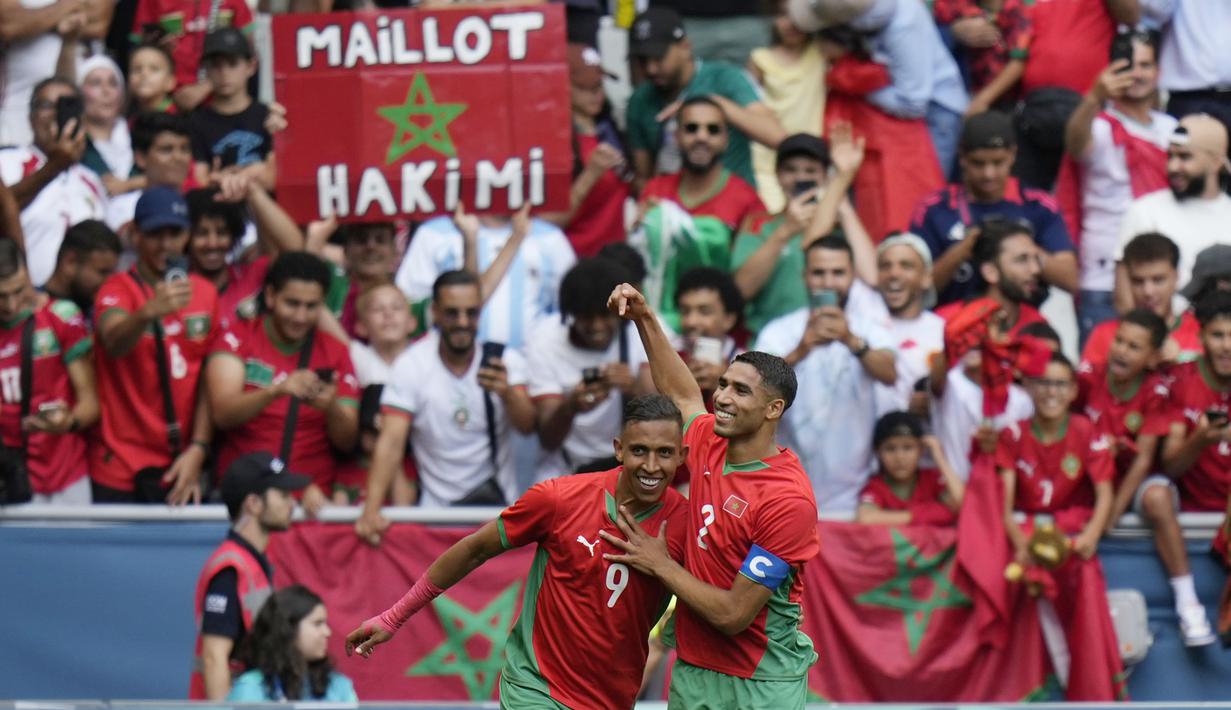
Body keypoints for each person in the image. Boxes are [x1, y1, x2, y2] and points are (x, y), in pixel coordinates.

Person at [345, 395, 689, 709]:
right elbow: (475, 549)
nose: (651, 466)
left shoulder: (685, 525)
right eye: (639, 450)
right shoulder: (559, 499)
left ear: (682, 456)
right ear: (619, 449)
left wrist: (665, 569)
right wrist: (393, 617)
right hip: (535, 688)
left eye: (664, 453)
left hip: (612, 699)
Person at [602, 282, 819, 708]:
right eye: (723, 384)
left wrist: (660, 564)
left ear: (773, 409)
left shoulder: (788, 501)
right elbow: (681, 392)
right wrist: (644, 317)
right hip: (694, 671)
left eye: (741, 391)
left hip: (761, 684)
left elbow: (733, 614)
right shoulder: (707, 440)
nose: (721, 397)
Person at [1075, 308, 1215, 645]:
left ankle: (1189, 605)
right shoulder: (1088, 379)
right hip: (1090, 481)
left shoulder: (1156, 392)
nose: (1122, 351)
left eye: (1134, 347)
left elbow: (1142, 462)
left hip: (1135, 485)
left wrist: (1110, 518)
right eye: (1119, 341)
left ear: (1153, 358)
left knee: (1158, 497)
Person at [355, 270, 535, 520]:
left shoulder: (503, 360)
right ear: (435, 313)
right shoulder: (412, 364)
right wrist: (370, 511)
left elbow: (528, 426)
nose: (462, 322)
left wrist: (507, 393)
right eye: (452, 313)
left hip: (496, 511)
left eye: (471, 313)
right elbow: (391, 441)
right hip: (435, 513)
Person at [996, 352, 1125, 700]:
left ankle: (1090, 690)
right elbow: (1003, 505)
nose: (1051, 392)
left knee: (1084, 574)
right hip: (1025, 536)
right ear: (1028, 387)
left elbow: (1105, 493)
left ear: (1073, 391)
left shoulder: (1087, 430)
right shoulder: (1011, 434)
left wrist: (1091, 536)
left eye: (1060, 384)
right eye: (1043, 383)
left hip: (1070, 539)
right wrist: (1021, 546)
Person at [206, 252, 359, 516]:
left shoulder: (336, 352)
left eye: (311, 306)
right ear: (270, 296)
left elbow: (347, 442)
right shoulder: (238, 338)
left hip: (311, 503)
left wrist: (331, 407)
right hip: (246, 501)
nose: (300, 316)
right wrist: (276, 390)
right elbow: (223, 415)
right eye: (292, 303)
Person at [91, 186, 217, 504]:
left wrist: (199, 448)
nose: (165, 245)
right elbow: (113, 341)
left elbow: (209, 378)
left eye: (174, 234)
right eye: (154, 234)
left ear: (187, 235)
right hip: (120, 464)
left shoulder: (205, 293)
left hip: (181, 463)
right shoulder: (117, 289)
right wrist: (147, 312)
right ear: (135, 235)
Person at [754, 235, 896, 512]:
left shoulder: (871, 329)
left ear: (852, 276)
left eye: (838, 273)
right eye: (819, 273)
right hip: (787, 487)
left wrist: (850, 340)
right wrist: (800, 350)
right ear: (804, 276)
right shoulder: (779, 331)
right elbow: (754, 388)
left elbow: (889, 373)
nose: (828, 282)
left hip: (853, 491)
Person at [1064, 33, 1175, 344]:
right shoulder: (1099, 125)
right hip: (1104, 276)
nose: (1137, 74)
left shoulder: (1170, 128)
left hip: (1160, 274)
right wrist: (1093, 98)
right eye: (1128, 66)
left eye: (1145, 65)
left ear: (1158, 72)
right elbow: (1075, 145)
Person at [911, 111, 1078, 306]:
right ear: (962, 157)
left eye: (998, 163)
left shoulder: (1038, 205)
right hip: (951, 320)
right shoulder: (934, 209)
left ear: (1013, 154)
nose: (988, 174)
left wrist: (1020, 247)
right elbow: (916, 290)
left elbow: (1070, 279)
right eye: (978, 163)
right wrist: (963, 249)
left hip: (1021, 321)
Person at [790, 0, 969, 174]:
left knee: (924, 189)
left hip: (935, 112)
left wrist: (854, 84)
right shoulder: (863, 13)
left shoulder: (903, 27)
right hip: (902, 111)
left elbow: (913, 105)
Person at [635, 97, 764, 329]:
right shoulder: (656, 189)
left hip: (718, 331)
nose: (701, 137)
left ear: (725, 140)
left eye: (712, 130)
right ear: (677, 136)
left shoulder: (746, 199)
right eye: (691, 128)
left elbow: (746, 278)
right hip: (656, 326)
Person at [625, 7, 784, 191]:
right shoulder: (640, 100)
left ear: (685, 47)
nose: (650, 69)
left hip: (735, 202)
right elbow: (643, 177)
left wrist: (711, 104)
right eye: (642, 60)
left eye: (658, 57)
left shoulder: (725, 78)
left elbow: (777, 137)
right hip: (675, 204)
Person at [190, 451, 308, 700]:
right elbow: (214, 657)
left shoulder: (251, 561)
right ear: (253, 503)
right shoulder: (231, 567)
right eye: (283, 495)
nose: (292, 504)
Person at [733, 127, 873, 335]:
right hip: (767, 343)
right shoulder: (758, 224)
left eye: (810, 171)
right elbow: (739, 291)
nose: (800, 178)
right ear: (777, 174)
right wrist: (785, 231)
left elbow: (872, 277)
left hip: (829, 340)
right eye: (790, 170)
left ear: (824, 176)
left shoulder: (839, 227)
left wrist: (840, 189)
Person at [529, 258, 649, 478]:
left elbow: (660, 414)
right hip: (565, 470)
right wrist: (570, 406)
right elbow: (548, 440)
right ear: (571, 314)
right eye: (586, 317)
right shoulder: (545, 344)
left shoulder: (637, 333)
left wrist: (633, 389)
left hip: (623, 468)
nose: (597, 326)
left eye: (604, 316)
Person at [0, 237, 97, 504]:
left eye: (18, 291)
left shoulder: (60, 317)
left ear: (28, 277)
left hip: (67, 474)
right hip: (9, 479)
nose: (11, 305)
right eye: (1, 296)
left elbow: (90, 403)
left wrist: (69, 422)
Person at [397, 208, 575, 350]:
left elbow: (570, 314)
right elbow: (408, 309)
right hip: (448, 367)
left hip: (532, 372)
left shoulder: (551, 238)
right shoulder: (433, 233)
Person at [1113, 115, 1231, 311]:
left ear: (1216, 162)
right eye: (1170, 156)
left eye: (1185, 157)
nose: (1173, 167)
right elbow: (1124, 298)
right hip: (1159, 329)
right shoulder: (1144, 210)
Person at [0, 77, 106, 287]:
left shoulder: (91, 180)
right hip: (21, 296)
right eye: (47, 105)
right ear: (30, 117)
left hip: (80, 301)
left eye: (67, 104)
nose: (56, 113)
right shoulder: (6, 162)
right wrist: (54, 167)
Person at [540, 43, 630, 259]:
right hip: (573, 259)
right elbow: (542, 222)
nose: (596, 94)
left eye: (599, 85)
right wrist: (590, 175)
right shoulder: (552, 144)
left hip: (615, 258)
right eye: (585, 87)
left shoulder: (611, 132)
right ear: (562, 85)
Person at [185, 181, 304, 327]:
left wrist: (253, 191)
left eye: (222, 233)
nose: (212, 243)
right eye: (202, 234)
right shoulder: (176, 290)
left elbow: (295, 250)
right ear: (186, 237)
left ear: (234, 236)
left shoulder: (253, 275)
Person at [746, 0, 826, 212]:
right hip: (767, 163)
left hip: (813, 161)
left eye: (799, 15)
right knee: (773, 218)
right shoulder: (759, 59)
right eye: (783, 15)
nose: (791, 23)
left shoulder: (821, 52)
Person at [1083, 232, 1201, 368]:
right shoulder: (1105, 335)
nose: (1148, 291)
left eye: (1158, 280)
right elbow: (1086, 381)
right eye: (1138, 281)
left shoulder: (1202, 332)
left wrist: (1179, 367)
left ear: (1176, 278)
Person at [228, 585, 357, 702]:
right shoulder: (251, 689)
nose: (327, 632)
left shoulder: (338, 687)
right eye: (317, 623)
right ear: (288, 629)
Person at [934, 218, 1048, 339]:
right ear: (990, 272)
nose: (1035, 269)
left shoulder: (1039, 326)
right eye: (1021, 260)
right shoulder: (945, 322)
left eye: (1036, 259)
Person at [189, 28, 274, 190]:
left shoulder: (267, 116)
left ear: (251, 66)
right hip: (218, 200)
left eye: (232, 64)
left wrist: (242, 177)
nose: (224, 73)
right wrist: (215, 180)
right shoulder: (196, 122)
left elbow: (275, 175)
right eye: (216, 65)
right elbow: (198, 180)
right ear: (206, 70)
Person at [131, 0, 253, 112]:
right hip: (166, 104)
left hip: (220, 102)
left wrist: (207, 86)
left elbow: (246, 54)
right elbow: (140, 55)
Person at [874, 232, 945, 414]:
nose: (894, 274)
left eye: (906, 266)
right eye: (885, 266)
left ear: (926, 277)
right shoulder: (860, 328)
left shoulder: (943, 331)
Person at [856, 411, 964, 526]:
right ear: (877, 452)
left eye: (908, 448)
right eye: (890, 449)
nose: (899, 457)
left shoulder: (931, 479)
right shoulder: (876, 486)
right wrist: (925, 514)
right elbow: (866, 518)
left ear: (921, 449)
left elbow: (962, 504)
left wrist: (940, 459)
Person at [932, 0, 1032, 116]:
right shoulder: (950, 5)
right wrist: (953, 31)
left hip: (1001, 100)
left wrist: (981, 101)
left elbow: (1018, 60)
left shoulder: (1015, 9)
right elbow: (929, 40)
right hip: (952, 94)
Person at [106, 111, 193, 232]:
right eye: (166, 150)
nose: (178, 157)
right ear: (141, 158)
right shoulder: (121, 210)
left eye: (184, 149)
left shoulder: (197, 206)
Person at [675, 266, 744, 403]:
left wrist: (725, 385)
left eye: (704, 312)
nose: (691, 322)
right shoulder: (668, 352)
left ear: (729, 319)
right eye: (685, 311)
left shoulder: (745, 366)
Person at [79, 55, 136, 199]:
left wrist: (131, 184)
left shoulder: (138, 133)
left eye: (113, 83)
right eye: (96, 83)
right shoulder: (72, 141)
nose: (106, 91)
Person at [40, 219, 121, 320]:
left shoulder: (98, 313)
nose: (109, 281)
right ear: (70, 262)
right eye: (102, 272)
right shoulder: (34, 312)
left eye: (112, 273)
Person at [127, 43, 178, 115]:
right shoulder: (125, 116)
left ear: (170, 82)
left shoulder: (177, 118)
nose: (143, 74)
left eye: (154, 69)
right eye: (137, 69)